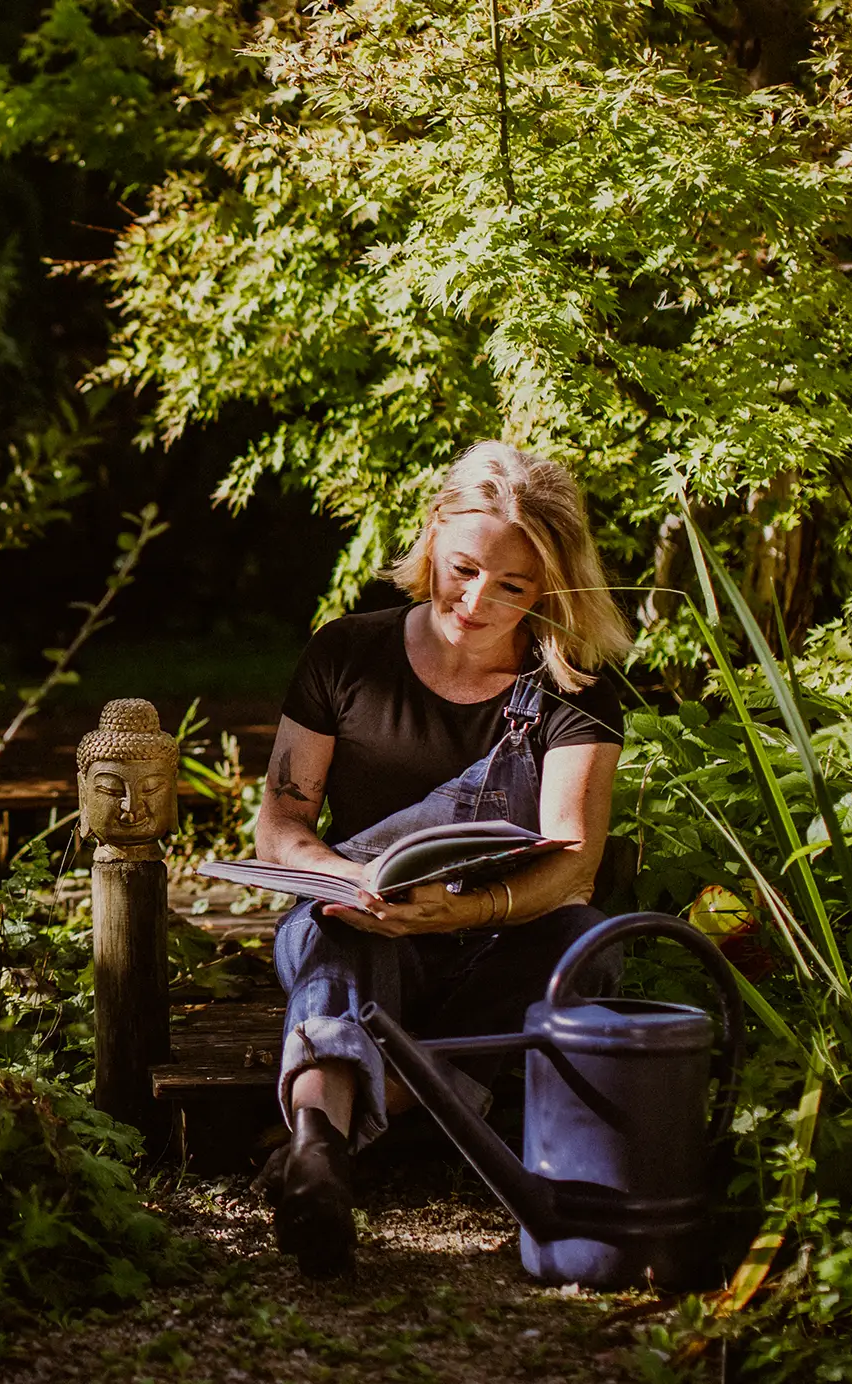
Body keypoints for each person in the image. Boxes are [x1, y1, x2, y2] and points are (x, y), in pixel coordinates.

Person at [253, 440, 632, 1278]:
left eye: (513, 587)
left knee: (580, 943)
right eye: (462, 569)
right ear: (431, 540)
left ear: (550, 591)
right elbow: (280, 822)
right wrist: (348, 879)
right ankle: (318, 1148)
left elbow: (574, 864)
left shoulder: (571, 685)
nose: (477, 600)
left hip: (493, 937)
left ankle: (329, 1149)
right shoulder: (347, 653)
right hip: (358, 919)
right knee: (334, 932)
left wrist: (467, 911)